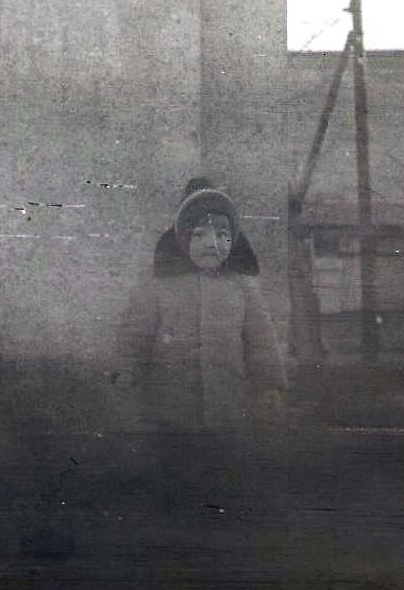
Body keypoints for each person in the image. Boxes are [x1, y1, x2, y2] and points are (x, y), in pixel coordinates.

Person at [114, 179, 288, 428]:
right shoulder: (160, 280)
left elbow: (261, 337)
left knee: (224, 447)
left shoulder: (241, 284)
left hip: (228, 400)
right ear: (183, 238)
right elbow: (137, 329)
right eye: (199, 234)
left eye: (223, 235)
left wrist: (269, 383)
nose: (212, 244)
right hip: (170, 403)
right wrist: (127, 367)